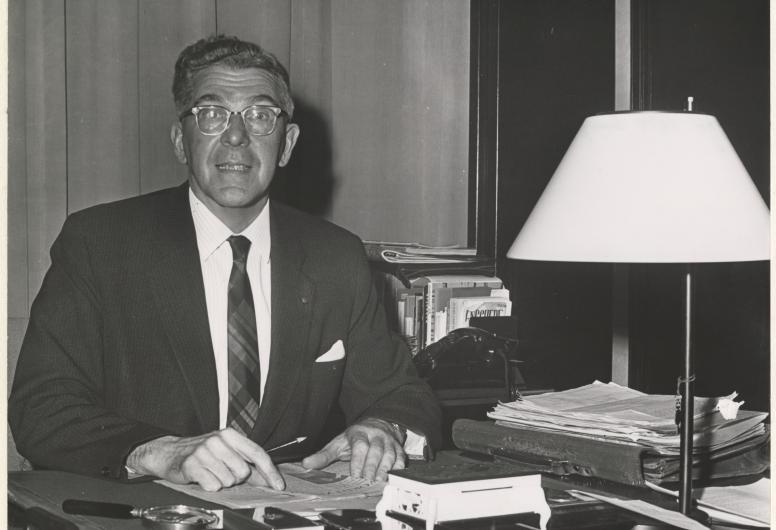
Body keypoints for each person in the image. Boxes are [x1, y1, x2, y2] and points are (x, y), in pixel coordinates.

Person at [9, 35, 441, 492]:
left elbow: (400, 395)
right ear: (181, 140)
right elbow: (41, 409)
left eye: (259, 116)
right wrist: (158, 450)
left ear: (287, 144)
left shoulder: (336, 256)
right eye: (212, 114)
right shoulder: (101, 244)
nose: (236, 136)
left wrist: (382, 428)